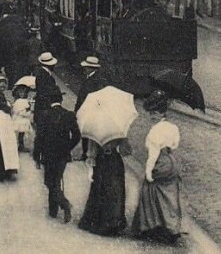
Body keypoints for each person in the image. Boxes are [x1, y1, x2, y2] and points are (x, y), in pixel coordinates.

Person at [133, 90, 183, 245]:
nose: (150, 117)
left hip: (160, 161)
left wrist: (148, 172)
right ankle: (172, 227)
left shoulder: (155, 131)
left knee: (149, 190)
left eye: (152, 113)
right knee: (170, 194)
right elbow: (175, 144)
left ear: (157, 113)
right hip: (171, 161)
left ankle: (150, 226)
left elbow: (153, 155)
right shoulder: (173, 127)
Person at [33, 100, 80, 223]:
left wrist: (37, 155)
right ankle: (53, 210)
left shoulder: (44, 114)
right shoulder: (69, 115)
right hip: (62, 154)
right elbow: (77, 136)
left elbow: (39, 137)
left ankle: (63, 205)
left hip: (48, 154)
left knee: (49, 182)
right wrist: (67, 147)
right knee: (56, 180)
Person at [78, 137, 129, 236]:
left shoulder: (107, 131)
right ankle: (104, 223)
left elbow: (125, 150)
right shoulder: (106, 131)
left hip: (112, 162)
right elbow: (92, 152)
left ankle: (113, 223)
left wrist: (122, 143)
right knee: (102, 190)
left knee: (114, 191)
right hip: (104, 162)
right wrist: (90, 170)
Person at [74, 55, 108, 160]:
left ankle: (93, 154)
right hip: (85, 109)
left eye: (86, 67)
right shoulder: (90, 78)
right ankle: (85, 153)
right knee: (84, 132)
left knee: (91, 133)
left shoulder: (97, 80)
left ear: (92, 68)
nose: (84, 69)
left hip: (91, 110)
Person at [10, 83, 34, 152]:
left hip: (21, 119)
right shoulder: (18, 101)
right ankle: (19, 145)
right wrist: (27, 111)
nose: (22, 94)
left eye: (24, 92)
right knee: (19, 133)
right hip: (20, 119)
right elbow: (19, 111)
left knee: (21, 133)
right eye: (20, 92)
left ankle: (20, 145)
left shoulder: (24, 101)